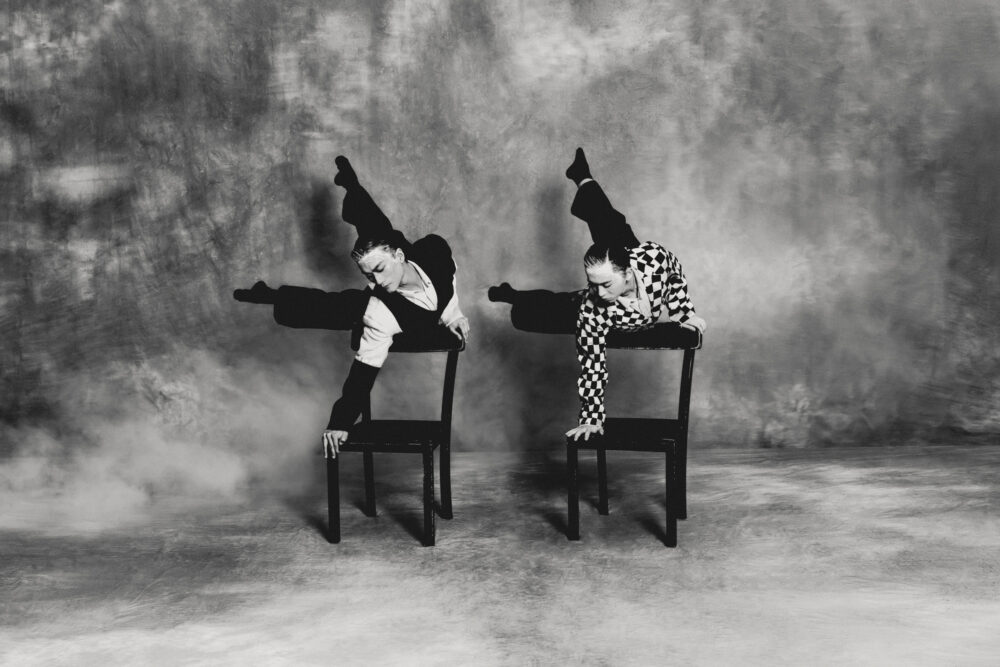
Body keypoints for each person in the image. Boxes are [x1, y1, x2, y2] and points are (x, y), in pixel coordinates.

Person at [235, 156, 469, 458]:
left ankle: (352, 186)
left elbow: (448, 285)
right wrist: (340, 422)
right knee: (335, 306)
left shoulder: (434, 254)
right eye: (368, 276)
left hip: (408, 257)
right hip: (377, 306)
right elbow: (362, 373)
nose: (376, 282)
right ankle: (271, 296)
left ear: (399, 257)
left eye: (379, 271)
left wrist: (453, 316)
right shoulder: (380, 311)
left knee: (380, 229)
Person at [489, 148, 705, 441]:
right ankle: (513, 296)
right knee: (541, 309)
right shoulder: (592, 306)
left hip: (628, 265)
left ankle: (583, 180)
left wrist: (683, 312)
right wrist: (591, 419)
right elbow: (592, 364)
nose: (599, 293)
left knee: (614, 226)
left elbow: (675, 274)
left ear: (627, 273)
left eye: (605, 285)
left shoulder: (653, 259)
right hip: (572, 308)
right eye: (593, 284)